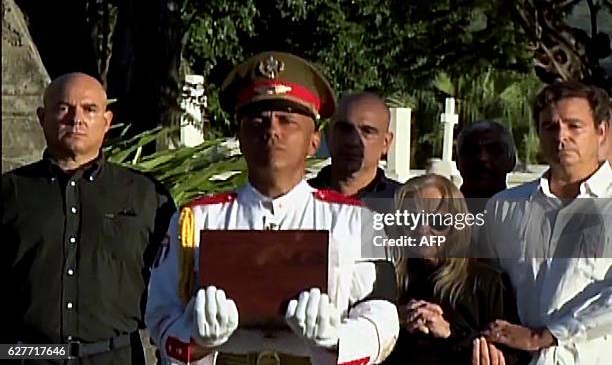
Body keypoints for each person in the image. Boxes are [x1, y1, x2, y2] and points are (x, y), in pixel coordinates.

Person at [145, 52, 399, 365]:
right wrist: (196, 339)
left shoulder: (356, 221)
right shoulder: (196, 220)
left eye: (287, 120)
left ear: (313, 140)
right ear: (239, 138)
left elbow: (383, 317)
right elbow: (160, 315)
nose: (272, 130)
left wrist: (337, 341)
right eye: (258, 120)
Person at [2, 73, 177, 364]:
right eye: (63, 108)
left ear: (107, 121)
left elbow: (174, 289)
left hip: (115, 357)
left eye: (89, 109)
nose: (76, 119)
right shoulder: (9, 193)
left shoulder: (146, 197)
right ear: (42, 117)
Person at [478, 81, 612, 365]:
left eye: (575, 126)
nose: (561, 136)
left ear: (601, 132)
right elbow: (485, 288)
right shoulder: (505, 207)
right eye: (550, 127)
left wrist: (547, 335)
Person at [382, 174, 529, 365]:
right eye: (411, 220)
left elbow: (510, 355)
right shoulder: (389, 280)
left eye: (437, 222)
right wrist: (393, 321)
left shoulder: (486, 283)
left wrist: (450, 333)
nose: (422, 230)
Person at [309, 92, 401, 207]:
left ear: (385, 143)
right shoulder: (300, 199)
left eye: (367, 131)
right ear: (328, 135)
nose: (352, 141)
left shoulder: (404, 205)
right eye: (344, 129)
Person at [456, 120, 516, 212]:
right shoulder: (435, 216)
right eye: (472, 150)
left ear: (512, 161)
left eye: (494, 150)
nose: (482, 158)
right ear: (457, 162)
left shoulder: (525, 216)